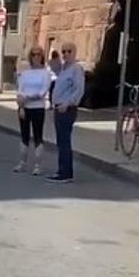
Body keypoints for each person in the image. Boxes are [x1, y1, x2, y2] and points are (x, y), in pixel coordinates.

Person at [47, 42, 84, 183]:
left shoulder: (76, 69)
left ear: (74, 52)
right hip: (58, 108)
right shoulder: (63, 69)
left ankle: (66, 173)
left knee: (64, 141)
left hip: (67, 109)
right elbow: (52, 65)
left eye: (69, 51)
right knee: (61, 141)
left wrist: (67, 103)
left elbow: (78, 90)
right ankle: (62, 170)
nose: (66, 54)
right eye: (63, 51)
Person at [13, 47, 52, 176]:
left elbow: (43, 91)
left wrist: (28, 97)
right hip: (24, 107)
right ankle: (22, 163)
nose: (36, 57)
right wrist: (21, 103)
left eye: (38, 55)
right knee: (24, 135)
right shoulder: (25, 73)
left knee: (37, 135)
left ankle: (37, 165)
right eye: (33, 55)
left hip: (38, 108)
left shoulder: (45, 73)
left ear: (42, 56)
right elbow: (20, 89)